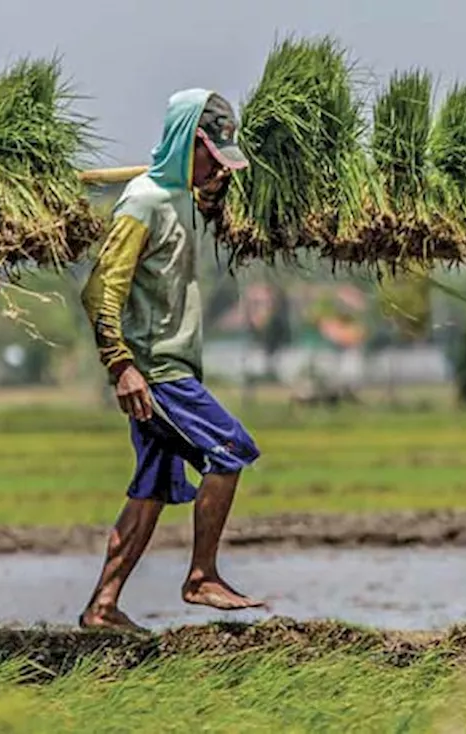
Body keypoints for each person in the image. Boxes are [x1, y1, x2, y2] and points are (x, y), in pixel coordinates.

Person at [77, 88, 266, 631]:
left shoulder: (178, 195)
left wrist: (215, 189)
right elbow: (99, 291)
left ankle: (102, 607)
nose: (216, 168)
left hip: (169, 367)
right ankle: (202, 576)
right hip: (157, 373)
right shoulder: (141, 203)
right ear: (189, 143)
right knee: (230, 450)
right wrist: (122, 366)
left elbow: (197, 202)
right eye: (211, 156)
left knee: (152, 489)